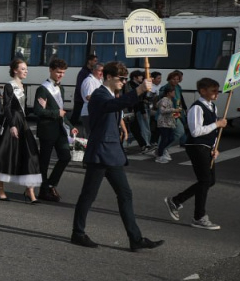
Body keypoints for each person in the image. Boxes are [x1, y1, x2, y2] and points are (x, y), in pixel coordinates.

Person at [70, 62, 163, 250]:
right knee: (88, 195)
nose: (124, 82)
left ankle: (135, 239)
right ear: (109, 77)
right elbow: (115, 105)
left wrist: (144, 91)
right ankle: (77, 233)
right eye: (121, 79)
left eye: (125, 79)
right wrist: (138, 91)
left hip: (111, 153)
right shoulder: (99, 94)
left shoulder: (111, 94)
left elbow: (120, 106)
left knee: (125, 194)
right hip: (100, 152)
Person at [164, 78, 225, 230]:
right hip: (196, 146)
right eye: (213, 91)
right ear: (203, 91)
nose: (216, 94)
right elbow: (196, 131)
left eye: (217, 91)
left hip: (206, 147)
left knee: (210, 181)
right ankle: (199, 217)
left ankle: (177, 200)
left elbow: (214, 132)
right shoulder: (197, 108)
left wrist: (214, 146)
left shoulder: (213, 107)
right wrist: (217, 124)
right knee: (204, 180)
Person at [0, 58, 41, 203]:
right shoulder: (9, 86)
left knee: (29, 155)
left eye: (26, 69)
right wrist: (13, 125)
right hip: (11, 123)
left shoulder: (22, 86)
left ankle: (29, 190)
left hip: (23, 122)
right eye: (23, 68)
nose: (26, 71)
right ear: (15, 70)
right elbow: (7, 107)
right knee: (5, 154)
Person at [33, 58, 78, 202]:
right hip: (47, 130)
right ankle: (43, 191)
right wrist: (55, 113)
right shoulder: (43, 88)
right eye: (58, 72)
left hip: (60, 129)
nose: (61, 75)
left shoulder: (61, 88)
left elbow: (61, 111)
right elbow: (38, 111)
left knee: (65, 157)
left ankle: (50, 184)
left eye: (63, 73)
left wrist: (71, 127)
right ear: (51, 70)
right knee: (44, 162)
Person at [154, 85, 178, 163]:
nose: (174, 93)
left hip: (168, 122)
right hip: (163, 122)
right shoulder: (165, 99)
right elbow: (162, 110)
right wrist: (174, 110)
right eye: (173, 92)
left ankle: (160, 150)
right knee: (165, 139)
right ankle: (159, 155)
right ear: (168, 93)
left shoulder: (170, 100)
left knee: (170, 138)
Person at [71, 54, 98, 124]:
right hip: (80, 96)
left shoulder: (90, 71)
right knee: (77, 111)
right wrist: (83, 94)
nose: (96, 63)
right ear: (89, 61)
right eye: (94, 61)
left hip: (83, 96)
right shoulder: (83, 72)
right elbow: (80, 85)